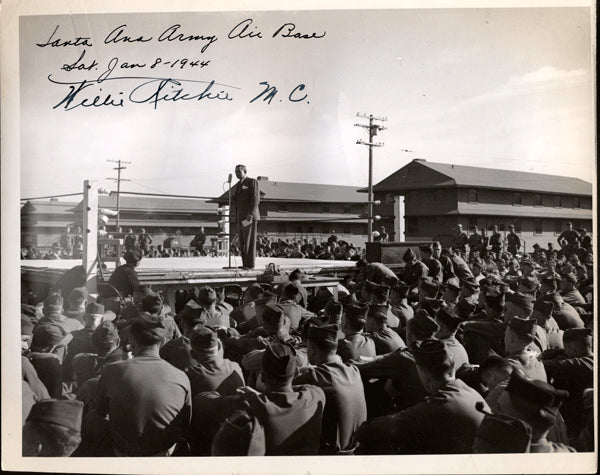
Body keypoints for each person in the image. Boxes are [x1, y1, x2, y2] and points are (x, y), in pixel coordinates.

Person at [194, 340, 326, 455]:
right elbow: (296, 390)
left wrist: (256, 397)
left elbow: (201, 399)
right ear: (296, 373)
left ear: (262, 376)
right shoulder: (316, 395)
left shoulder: (251, 405)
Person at [356, 339, 488, 454]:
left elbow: (372, 430)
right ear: (452, 367)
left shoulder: (437, 405)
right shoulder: (470, 392)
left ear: (424, 374)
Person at [93, 314, 192, 456]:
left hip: (124, 453)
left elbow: (100, 412)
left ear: (132, 340)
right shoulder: (181, 377)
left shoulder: (111, 371)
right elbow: (185, 423)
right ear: (163, 341)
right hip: (163, 453)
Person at [293, 324, 367, 454]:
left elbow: (283, 387)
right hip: (355, 449)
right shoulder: (353, 371)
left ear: (313, 350)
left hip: (330, 456)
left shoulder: (316, 377)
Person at [495, 371, 575, 453]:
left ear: (521, 424)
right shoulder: (569, 454)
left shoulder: (501, 459)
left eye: (499, 410)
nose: (492, 414)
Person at [232, 164, 260, 269]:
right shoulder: (239, 185)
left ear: (245, 171)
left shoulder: (252, 182)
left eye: (239, 171)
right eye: (236, 172)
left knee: (250, 240)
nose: (237, 174)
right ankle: (245, 264)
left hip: (249, 217)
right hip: (241, 217)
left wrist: (251, 213)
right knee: (243, 241)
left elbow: (256, 199)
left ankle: (250, 264)